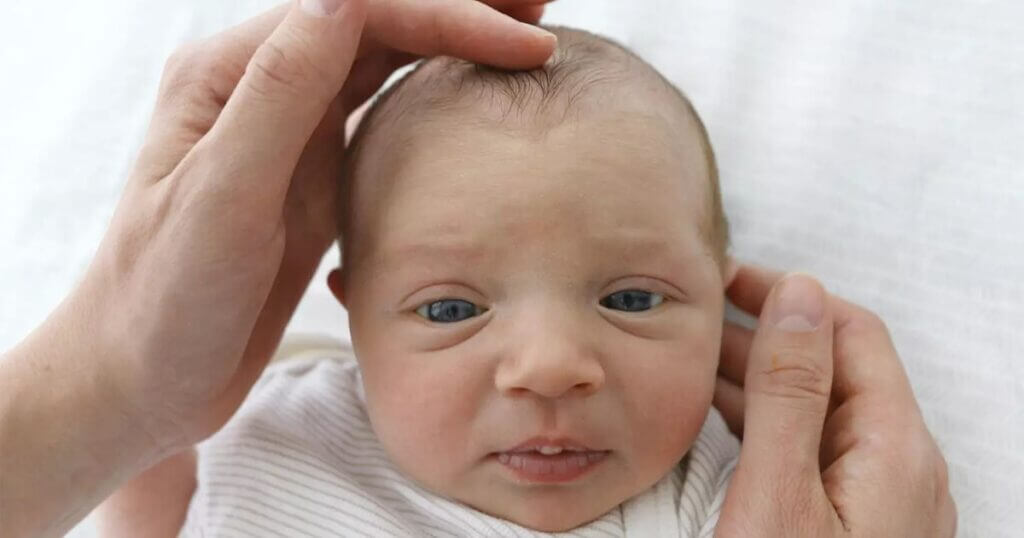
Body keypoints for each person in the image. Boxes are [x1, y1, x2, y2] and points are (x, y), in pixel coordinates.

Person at [0, 1, 954, 537]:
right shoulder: (256, 421)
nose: (547, 367)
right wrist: (126, 409)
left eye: (630, 298)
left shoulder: (726, 498)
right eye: (450, 308)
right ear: (354, 315)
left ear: (720, 303)